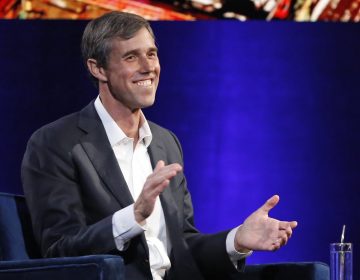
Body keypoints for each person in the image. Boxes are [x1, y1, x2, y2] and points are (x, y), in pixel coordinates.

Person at [21, 11, 297, 280]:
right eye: (131, 57)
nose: (148, 67)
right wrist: (133, 216)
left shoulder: (166, 142)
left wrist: (237, 239)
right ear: (98, 68)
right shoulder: (56, 143)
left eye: (151, 54)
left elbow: (183, 246)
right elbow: (59, 250)